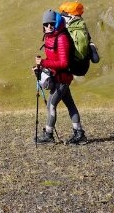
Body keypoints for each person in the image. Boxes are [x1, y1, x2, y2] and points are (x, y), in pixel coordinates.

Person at [33, 9, 87, 145]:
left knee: (51, 105)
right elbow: (53, 58)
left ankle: (49, 135)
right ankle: (79, 133)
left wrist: (44, 63)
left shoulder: (62, 38)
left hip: (62, 79)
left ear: (57, 23)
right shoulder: (49, 37)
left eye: (51, 24)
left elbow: (64, 63)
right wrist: (41, 67)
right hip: (57, 77)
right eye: (46, 24)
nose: (48, 27)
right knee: (70, 105)